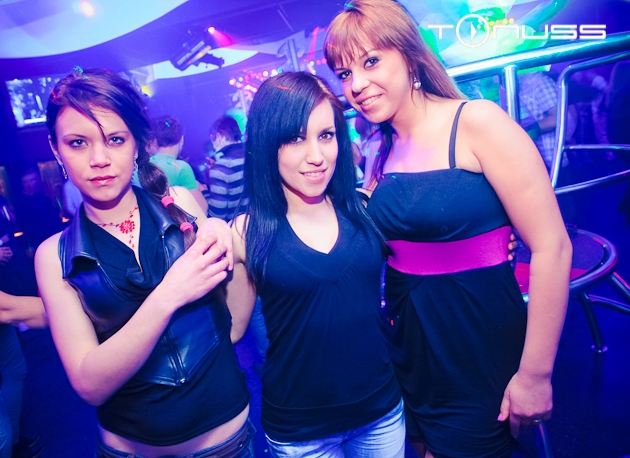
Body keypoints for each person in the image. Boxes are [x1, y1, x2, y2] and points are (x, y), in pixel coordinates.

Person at [324, 1, 572, 457]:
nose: (356, 85)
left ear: (409, 54)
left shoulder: (477, 122)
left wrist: (535, 375)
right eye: (344, 73)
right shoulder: (381, 148)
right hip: (410, 347)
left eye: (370, 61)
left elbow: (553, 247)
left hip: (475, 345)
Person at [35, 68, 253, 458]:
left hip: (227, 444)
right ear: (56, 149)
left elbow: (232, 327)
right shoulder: (54, 256)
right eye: (78, 143)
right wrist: (169, 295)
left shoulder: (180, 204)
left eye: (115, 139)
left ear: (136, 144)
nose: (99, 159)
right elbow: (89, 385)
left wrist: (231, 241)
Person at [226, 72, 405, 457]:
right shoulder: (246, 232)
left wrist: (494, 242)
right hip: (301, 432)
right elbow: (231, 330)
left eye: (326, 135)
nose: (316, 155)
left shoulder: (363, 209)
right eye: (295, 139)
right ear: (266, 144)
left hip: (381, 413)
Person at [150, 115, 209, 215]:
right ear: (182, 139)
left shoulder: (141, 165)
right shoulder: (181, 168)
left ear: (155, 141)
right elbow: (203, 208)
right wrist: (202, 191)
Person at [206, 116, 248, 221]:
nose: (213, 146)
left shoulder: (222, 167)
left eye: (213, 140)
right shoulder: (253, 155)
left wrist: (204, 192)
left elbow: (217, 215)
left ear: (219, 136)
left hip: (235, 227)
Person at [14, 168, 63, 256]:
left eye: (32, 180)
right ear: (22, 184)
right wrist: (28, 246)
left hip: (50, 237)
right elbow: (22, 225)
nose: (29, 184)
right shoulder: (20, 202)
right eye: (26, 182)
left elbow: (53, 218)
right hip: (33, 241)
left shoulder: (44, 196)